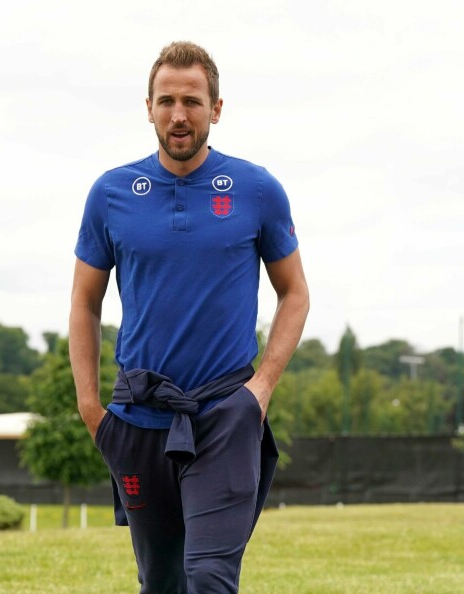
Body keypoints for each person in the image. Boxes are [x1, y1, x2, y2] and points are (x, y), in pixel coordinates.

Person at [69, 41, 309, 593]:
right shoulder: (110, 194)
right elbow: (85, 301)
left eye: (193, 102)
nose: (180, 115)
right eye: (167, 100)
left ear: (216, 109)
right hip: (137, 419)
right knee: (162, 583)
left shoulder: (257, 190)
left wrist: (261, 387)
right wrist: (90, 407)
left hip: (225, 415)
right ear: (149, 107)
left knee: (208, 578)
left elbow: (294, 293)